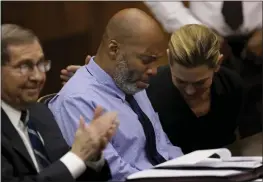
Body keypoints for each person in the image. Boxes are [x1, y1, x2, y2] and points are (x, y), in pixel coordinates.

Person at [59, 24, 245, 154]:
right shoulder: (147, 88)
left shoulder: (232, 85)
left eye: (200, 83)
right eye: (180, 81)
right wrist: (92, 76)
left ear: (218, 65)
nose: (189, 91)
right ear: (169, 59)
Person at [48, 8, 183, 181]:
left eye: (155, 61)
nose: (154, 71)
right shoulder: (76, 100)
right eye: (146, 60)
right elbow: (113, 175)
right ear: (114, 50)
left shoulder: (131, 82)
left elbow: (162, 147)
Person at [1, 24, 119, 182]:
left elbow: (68, 174)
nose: (38, 76)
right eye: (25, 66)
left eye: (41, 64)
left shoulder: (40, 113)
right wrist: (77, 157)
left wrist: (91, 154)